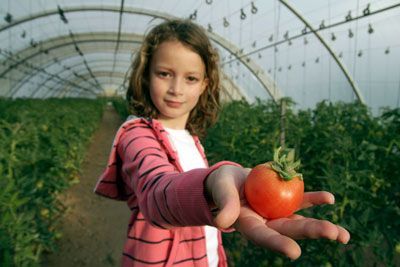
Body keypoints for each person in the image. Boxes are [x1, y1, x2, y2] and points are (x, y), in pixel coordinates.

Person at [94, 19, 350, 267]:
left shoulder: (192, 140)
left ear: (205, 84)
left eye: (190, 78)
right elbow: (157, 193)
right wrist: (209, 185)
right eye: (164, 74)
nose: (176, 88)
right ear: (147, 76)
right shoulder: (136, 135)